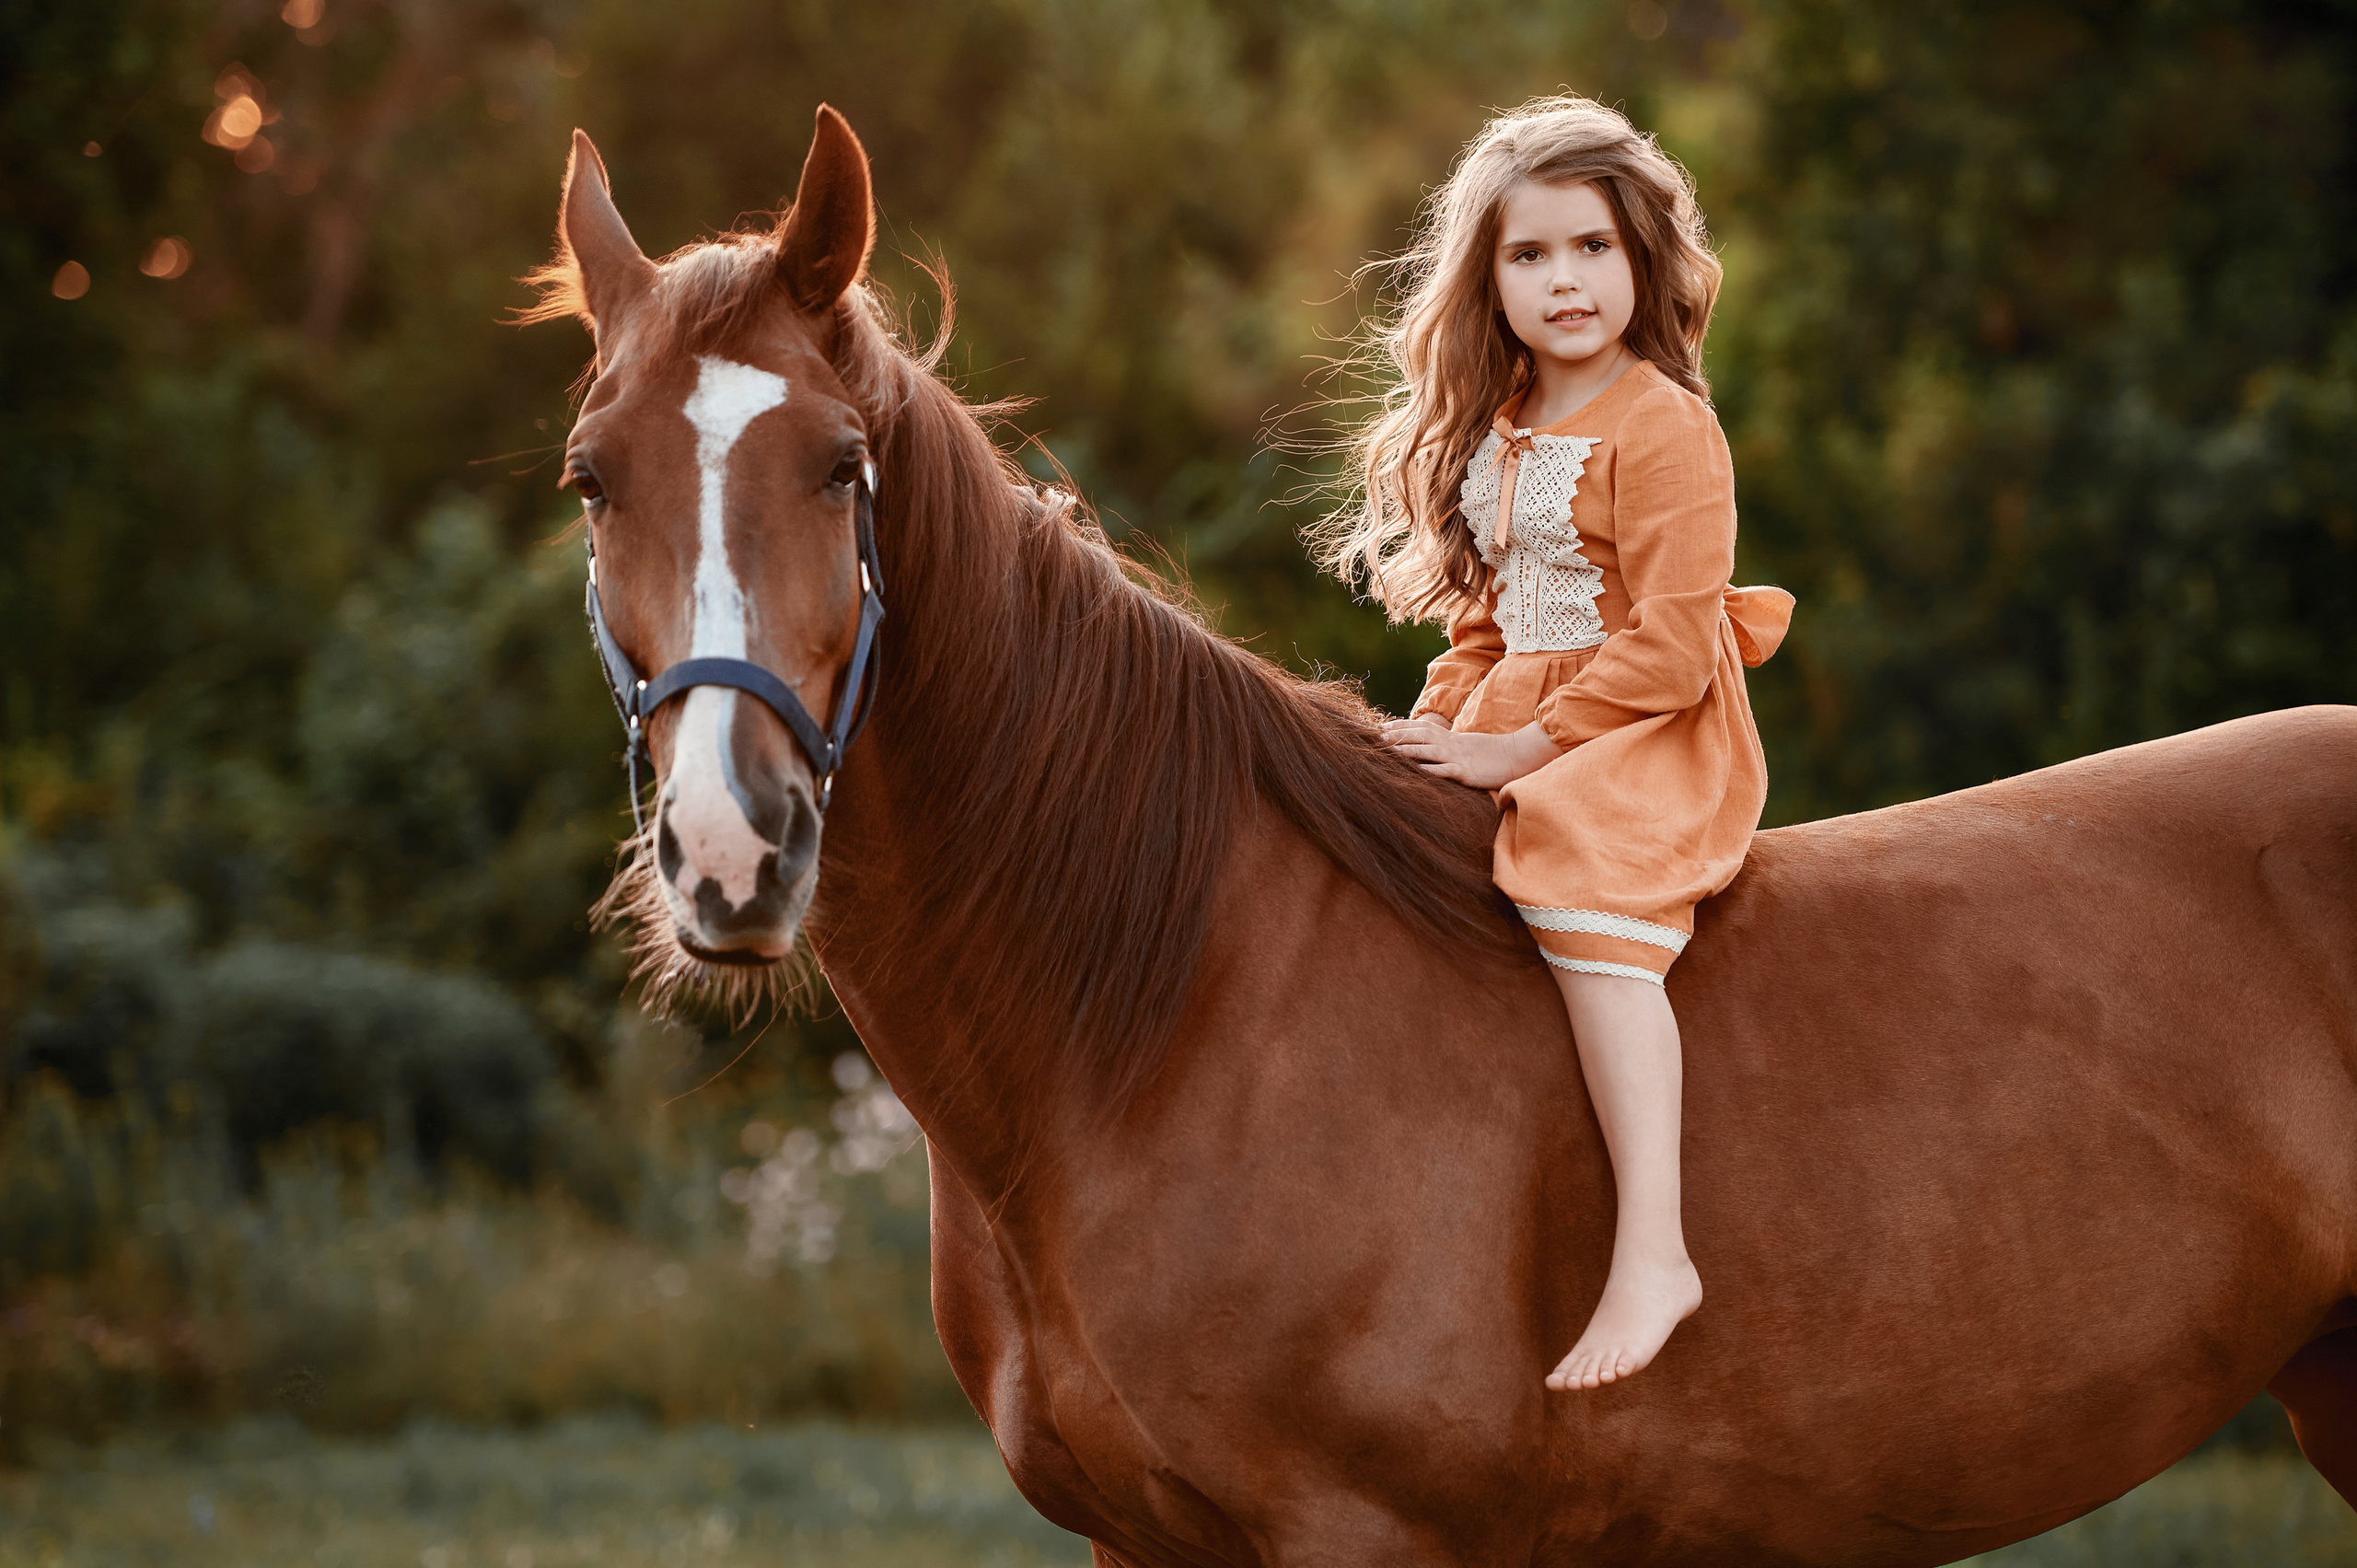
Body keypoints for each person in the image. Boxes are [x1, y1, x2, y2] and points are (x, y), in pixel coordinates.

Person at [1315, 96, 1794, 1391]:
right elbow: (1487, 623)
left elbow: (1674, 644)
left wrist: (1526, 751)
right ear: (1490, 280)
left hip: (1641, 725)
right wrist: (1432, 726)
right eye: (1529, 255)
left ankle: (1654, 1251)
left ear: (1642, 260)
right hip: (1519, 714)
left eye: (1592, 247)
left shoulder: (1664, 424)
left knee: (1569, 866)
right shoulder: (1507, 418)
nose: (1564, 280)